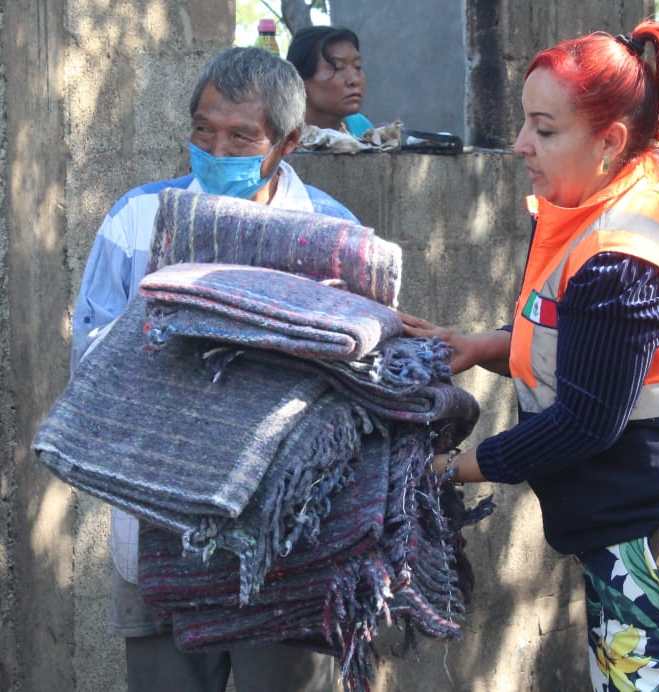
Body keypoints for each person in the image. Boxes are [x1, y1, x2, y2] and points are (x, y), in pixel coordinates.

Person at [402, 21, 659, 692]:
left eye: (544, 130)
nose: (521, 144)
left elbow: (584, 422)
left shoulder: (621, 262)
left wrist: (448, 469)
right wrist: (483, 346)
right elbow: (582, 347)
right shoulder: (617, 199)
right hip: (656, 528)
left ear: (609, 142)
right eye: (524, 123)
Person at [71, 46, 356, 692]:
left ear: (287, 142)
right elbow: (90, 367)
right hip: (159, 525)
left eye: (240, 137)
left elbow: (354, 387)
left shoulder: (331, 233)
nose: (216, 150)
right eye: (204, 130)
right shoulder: (137, 219)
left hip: (286, 539)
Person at [286, 26, 374, 137]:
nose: (355, 80)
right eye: (337, 67)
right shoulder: (276, 138)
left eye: (358, 66)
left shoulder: (360, 126)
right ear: (299, 80)